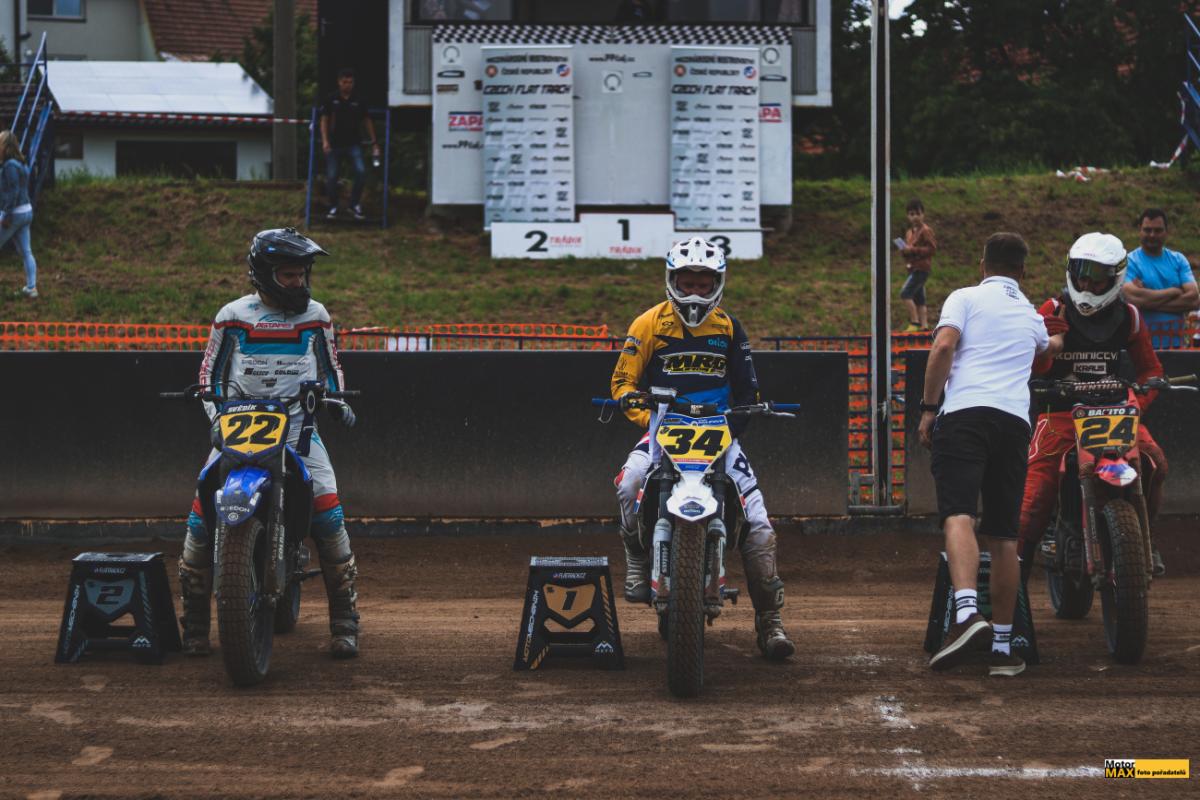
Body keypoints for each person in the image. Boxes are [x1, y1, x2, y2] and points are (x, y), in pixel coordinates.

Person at [179, 228, 361, 658]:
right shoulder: (232, 316)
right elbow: (208, 375)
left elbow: (330, 368)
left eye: (301, 274)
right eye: (289, 275)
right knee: (200, 519)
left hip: (298, 428)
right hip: (238, 425)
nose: (298, 282)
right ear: (264, 274)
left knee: (329, 516)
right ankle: (195, 624)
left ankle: (345, 620)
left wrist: (336, 400)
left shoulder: (317, 316)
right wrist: (217, 420)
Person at [610, 236, 794, 660]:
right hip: (664, 429)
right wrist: (643, 413)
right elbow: (622, 381)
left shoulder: (728, 328)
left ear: (717, 284)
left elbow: (748, 389)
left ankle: (770, 620)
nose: (694, 292)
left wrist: (736, 422)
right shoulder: (648, 324)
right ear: (672, 280)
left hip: (718, 433)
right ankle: (636, 553)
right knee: (630, 481)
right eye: (687, 282)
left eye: (703, 283)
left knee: (760, 526)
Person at [920, 232, 1060, 677]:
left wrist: (928, 408)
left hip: (965, 415)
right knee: (1004, 536)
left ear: (982, 265)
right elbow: (1048, 350)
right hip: (1014, 424)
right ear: (1023, 271)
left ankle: (966, 615)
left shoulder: (964, 297)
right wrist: (1062, 338)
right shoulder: (1032, 315)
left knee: (958, 515)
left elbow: (944, 346)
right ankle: (1002, 647)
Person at [1019, 232, 1169, 576]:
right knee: (1033, 498)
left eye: (1096, 275)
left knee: (1155, 464)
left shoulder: (1129, 316)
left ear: (1115, 276)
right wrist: (1046, 344)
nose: (1086, 282)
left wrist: (1136, 402)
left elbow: (1151, 370)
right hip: (1060, 411)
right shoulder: (1053, 309)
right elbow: (1030, 367)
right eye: (1081, 272)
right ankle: (1014, 582)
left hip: (1115, 412)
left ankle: (1146, 536)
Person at [1121, 209, 1199, 349]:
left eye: (1158, 230)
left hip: (1176, 346)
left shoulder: (1178, 260)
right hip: (1140, 347)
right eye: (1147, 230)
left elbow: (1194, 298)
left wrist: (1147, 301)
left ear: (1166, 231)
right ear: (1140, 230)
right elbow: (1132, 298)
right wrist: (1174, 292)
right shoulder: (1129, 262)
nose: (1152, 235)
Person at [320, 68, 380, 221]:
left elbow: (367, 120)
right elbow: (324, 120)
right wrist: (325, 141)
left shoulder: (359, 100)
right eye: (344, 82)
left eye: (350, 82)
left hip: (354, 144)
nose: (347, 85)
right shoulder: (331, 99)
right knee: (332, 176)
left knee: (360, 172)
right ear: (339, 82)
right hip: (334, 144)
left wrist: (374, 142)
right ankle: (333, 205)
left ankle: (353, 204)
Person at [0, 130, 38, 299]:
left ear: (5, 146)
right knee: (26, 251)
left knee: (25, 251)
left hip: (14, 213)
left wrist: (6, 215)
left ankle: (31, 288)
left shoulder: (9, 166)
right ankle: (31, 288)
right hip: (26, 211)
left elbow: (13, 191)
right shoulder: (22, 164)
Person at [898, 198, 937, 332]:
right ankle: (925, 326)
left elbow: (932, 249)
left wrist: (913, 250)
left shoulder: (926, 230)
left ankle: (914, 322)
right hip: (912, 267)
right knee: (919, 298)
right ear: (908, 216)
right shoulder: (909, 232)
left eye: (918, 214)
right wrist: (904, 251)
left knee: (905, 293)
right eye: (912, 214)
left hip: (922, 268)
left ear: (923, 214)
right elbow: (908, 251)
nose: (915, 217)